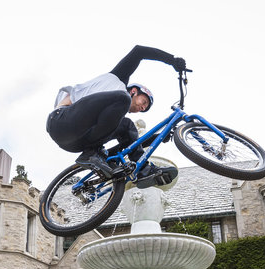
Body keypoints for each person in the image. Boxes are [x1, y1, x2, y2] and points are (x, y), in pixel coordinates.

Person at [46, 45, 187, 188]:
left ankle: (144, 171)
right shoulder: (118, 80)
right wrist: (172, 60)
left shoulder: (110, 117)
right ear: (134, 91)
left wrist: (159, 137)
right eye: (143, 102)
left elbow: (131, 145)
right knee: (123, 99)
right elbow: (139, 51)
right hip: (61, 121)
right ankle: (91, 154)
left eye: (144, 109)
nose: (142, 108)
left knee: (128, 128)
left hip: (76, 142)